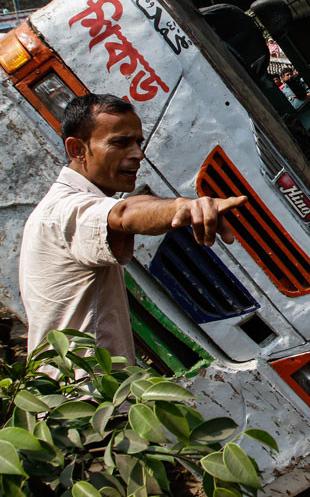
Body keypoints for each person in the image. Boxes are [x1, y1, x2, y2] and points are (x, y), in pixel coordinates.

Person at [19, 94, 246, 362]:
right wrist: (183, 207)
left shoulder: (60, 207)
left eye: (138, 142)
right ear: (78, 150)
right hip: (88, 396)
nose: (138, 154)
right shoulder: (65, 211)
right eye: (120, 143)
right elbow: (124, 213)